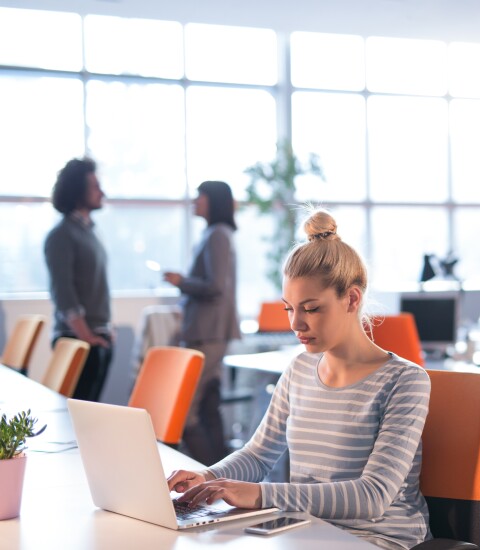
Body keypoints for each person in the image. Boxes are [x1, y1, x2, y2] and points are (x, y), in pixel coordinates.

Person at [166, 209, 432, 550]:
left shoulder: (405, 381)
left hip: (378, 539)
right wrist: (209, 477)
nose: (295, 323)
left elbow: (373, 496)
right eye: (289, 308)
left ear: (351, 299)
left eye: (311, 308)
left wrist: (260, 494)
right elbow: (259, 455)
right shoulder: (299, 370)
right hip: (307, 532)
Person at [163, 181, 240, 465]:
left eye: (200, 197)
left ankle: (214, 478)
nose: (195, 202)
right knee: (209, 406)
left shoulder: (217, 235)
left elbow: (215, 286)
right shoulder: (216, 233)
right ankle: (226, 475)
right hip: (208, 331)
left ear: (213, 201)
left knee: (185, 413)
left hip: (207, 333)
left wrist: (181, 282)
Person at [44, 157, 113, 402]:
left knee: (89, 413)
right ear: (77, 190)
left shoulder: (90, 232)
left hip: (96, 337)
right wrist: (86, 336)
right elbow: (63, 292)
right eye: (94, 186)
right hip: (78, 341)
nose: (101, 192)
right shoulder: (62, 235)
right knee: (75, 416)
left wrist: (104, 331)